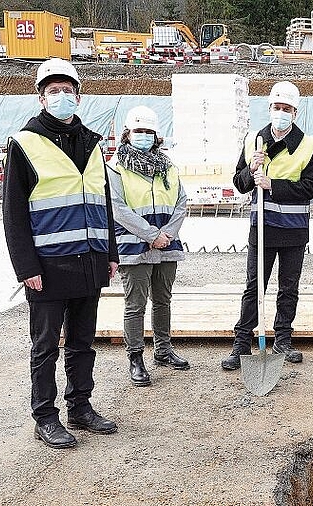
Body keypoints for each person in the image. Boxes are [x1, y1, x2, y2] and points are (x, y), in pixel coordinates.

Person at [2, 58, 119, 449]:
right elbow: (13, 213)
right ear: (40, 97)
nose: (61, 96)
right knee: (46, 346)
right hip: (48, 267)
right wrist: (25, 267)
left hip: (90, 261)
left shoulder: (93, 142)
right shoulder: (24, 143)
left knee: (83, 342)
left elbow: (103, 203)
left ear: (79, 96)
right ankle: (45, 416)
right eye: (53, 90)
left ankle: (80, 406)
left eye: (67, 90)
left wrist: (111, 253)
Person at [221, 81, 313, 370]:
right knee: (254, 286)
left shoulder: (308, 144)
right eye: (277, 108)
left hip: (293, 229)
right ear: (269, 108)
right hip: (261, 228)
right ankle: (241, 344)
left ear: (295, 112)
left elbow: (310, 188)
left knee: (288, 288)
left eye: (286, 109)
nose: (281, 113)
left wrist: (272, 185)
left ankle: (283, 340)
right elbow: (238, 184)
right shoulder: (253, 140)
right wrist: (251, 171)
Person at [107, 106, 190, 387]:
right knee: (135, 305)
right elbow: (118, 209)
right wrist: (150, 235)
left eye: (148, 132)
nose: (143, 136)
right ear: (128, 135)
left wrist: (166, 234)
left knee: (163, 300)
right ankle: (135, 358)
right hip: (134, 248)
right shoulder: (115, 168)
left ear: (157, 136)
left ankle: (163, 351)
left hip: (167, 245)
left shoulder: (168, 167)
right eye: (138, 131)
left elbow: (181, 203)